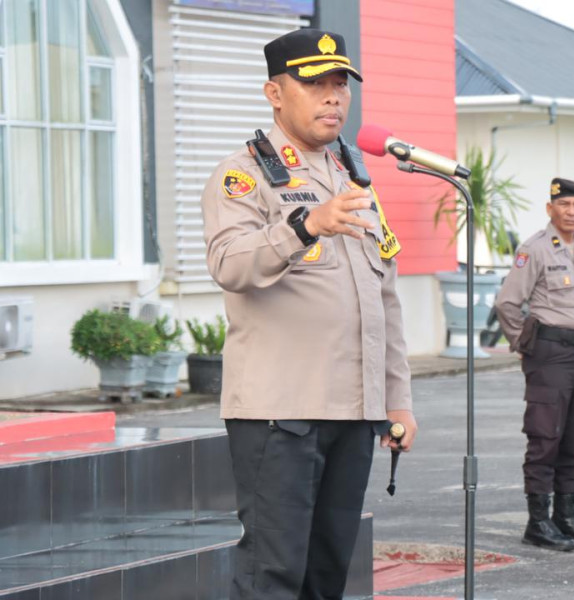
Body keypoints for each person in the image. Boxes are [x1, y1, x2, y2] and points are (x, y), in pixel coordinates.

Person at [200, 29, 418, 600]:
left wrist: (396, 399)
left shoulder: (353, 177)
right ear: (275, 93)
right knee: (272, 575)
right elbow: (228, 264)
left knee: (328, 574)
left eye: (340, 84)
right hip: (281, 414)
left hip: (354, 412)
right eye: (315, 83)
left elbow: (384, 298)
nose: (332, 97)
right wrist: (305, 226)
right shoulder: (243, 175)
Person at [495, 178, 574, 551]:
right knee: (545, 437)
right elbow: (508, 303)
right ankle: (538, 521)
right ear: (550, 208)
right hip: (551, 354)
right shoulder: (535, 249)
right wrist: (525, 345)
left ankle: (566, 516)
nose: (571, 212)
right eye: (564, 205)